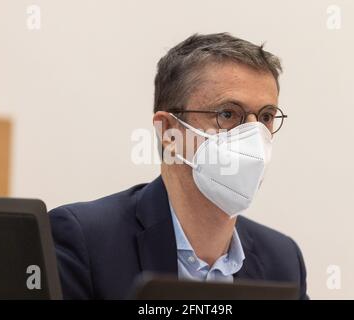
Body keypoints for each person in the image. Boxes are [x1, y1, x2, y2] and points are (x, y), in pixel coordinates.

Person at [49, 32, 308, 299]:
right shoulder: (86, 240)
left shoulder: (283, 261)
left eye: (265, 116)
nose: (253, 136)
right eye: (228, 114)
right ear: (169, 130)